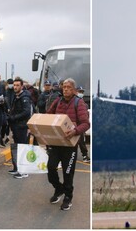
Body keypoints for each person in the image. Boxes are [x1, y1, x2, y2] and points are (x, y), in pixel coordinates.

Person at [46, 78, 90, 211]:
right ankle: (59, 189)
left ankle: (68, 197)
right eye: (64, 87)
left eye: (68, 87)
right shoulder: (57, 101)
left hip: (70, 145)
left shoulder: (79, 103)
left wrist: (75, 131)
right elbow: (48, 116)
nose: (65, 89)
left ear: (74, 90)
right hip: (56, 143)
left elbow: (86, 123)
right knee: (51, 168)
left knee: (68, 172)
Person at [7, 78, 32, 179]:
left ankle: (23, 171)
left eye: (17, 85)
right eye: (14, 85)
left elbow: (26, 112)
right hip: (16, 126)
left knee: (23, 148)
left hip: (22, 126)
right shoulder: (16, 96)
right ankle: (17, 168)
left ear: (22, 86)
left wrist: (13, 117)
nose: (15, 87)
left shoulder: (24, 97)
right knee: (17, 147)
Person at [76, 86, 90, 163]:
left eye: (82, 92)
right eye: (79, 91)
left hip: (80, 126)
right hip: (74, 124)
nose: (81, 93)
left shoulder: (84, 104)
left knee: (81, 141)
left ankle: (85, 155)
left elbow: (86, 115)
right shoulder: (73, 101)